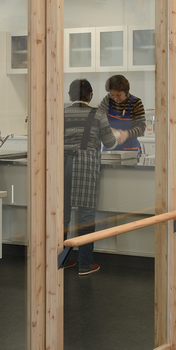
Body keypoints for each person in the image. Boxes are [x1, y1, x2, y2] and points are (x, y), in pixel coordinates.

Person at [62, 79, 126, 276]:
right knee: (86, 216)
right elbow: (110, 143)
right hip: (85, 164)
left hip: (61, 165)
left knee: (61, 216)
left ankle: (61, 260)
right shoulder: (97, 114)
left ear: (70, 96)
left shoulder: (61, 113)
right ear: (90, 96)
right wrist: (118, 135)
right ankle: (85, 264)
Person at [96, 74, 146, 152]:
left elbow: (141, 127)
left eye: (119, 95)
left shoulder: (135, 103)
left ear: (126, 92)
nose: (115, 98)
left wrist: (126, 134)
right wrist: (109, 129)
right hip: (109, 149)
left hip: (130, 150)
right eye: (112, 95)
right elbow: (97, 120)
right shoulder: (108, 100)